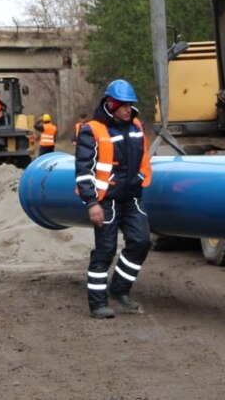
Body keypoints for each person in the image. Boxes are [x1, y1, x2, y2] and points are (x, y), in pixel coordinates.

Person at [74, 79, 153, 319]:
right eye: (123, 105)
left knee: (141, 242)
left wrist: (139, 179)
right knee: (105, 250)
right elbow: (83, 170)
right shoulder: (92, 130)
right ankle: (98, 304)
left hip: (131, 199)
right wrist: (92, 203)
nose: (128, 109)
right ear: (110, 104)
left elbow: (144, 159)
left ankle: (120, 289)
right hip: (105, 202)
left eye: (130, 105)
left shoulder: (136, 126)